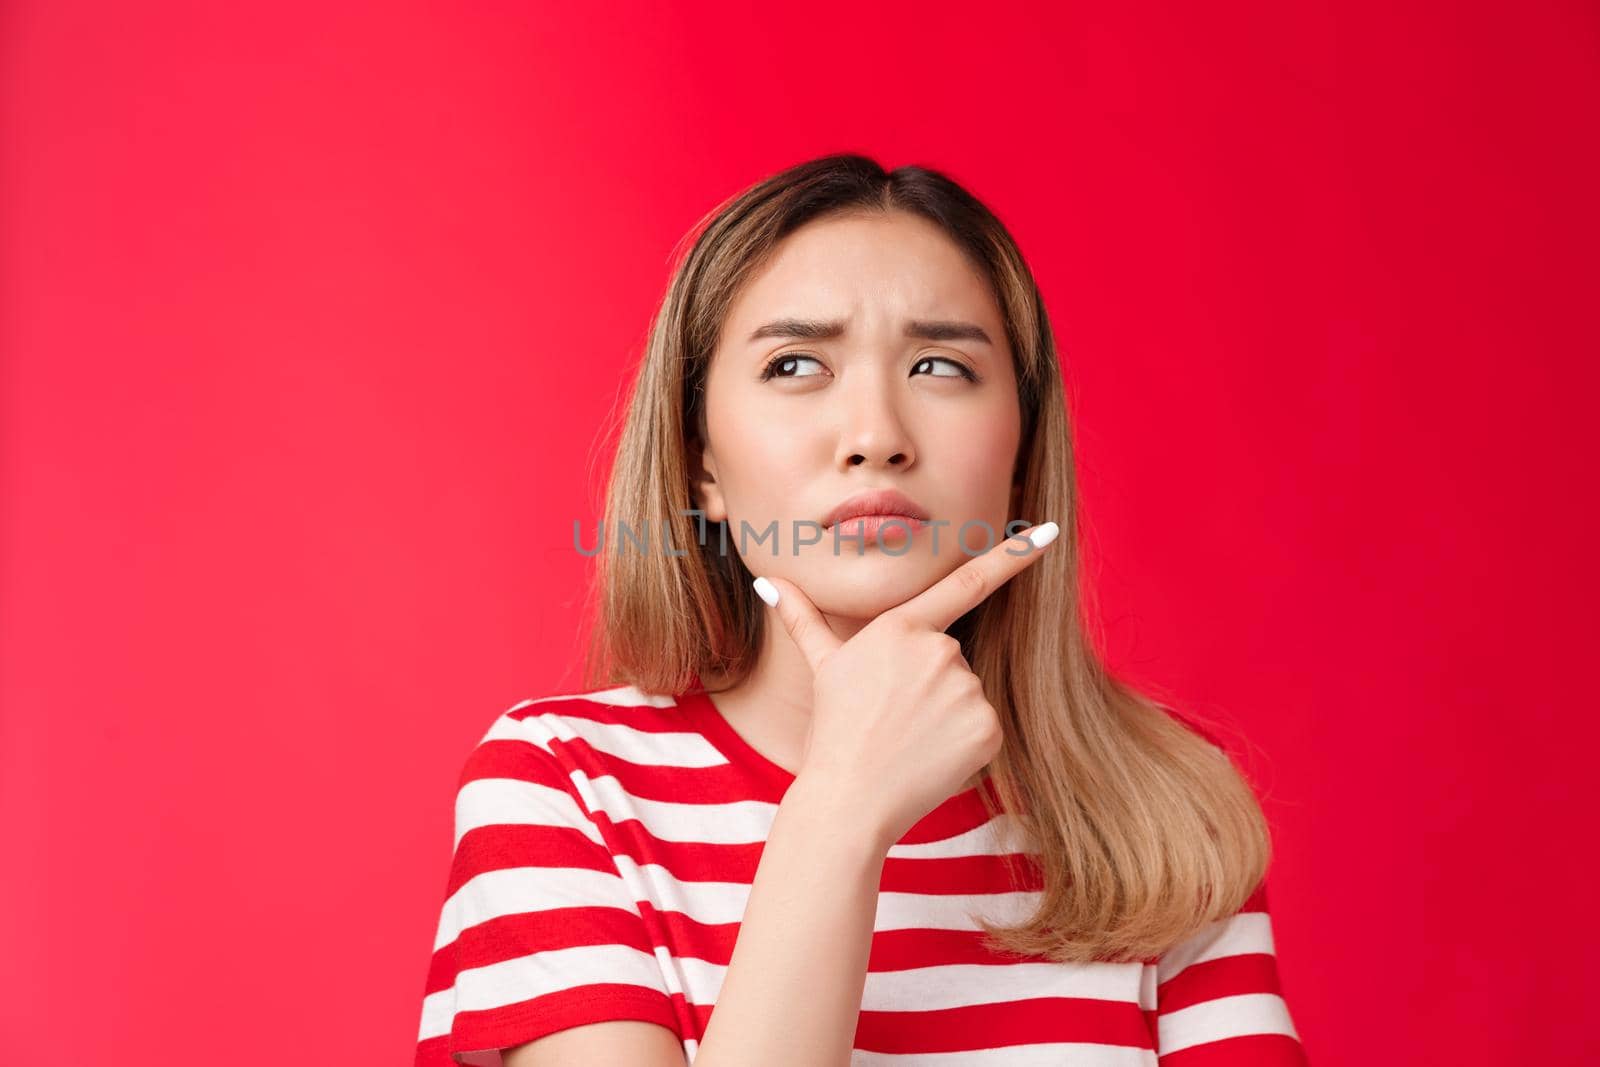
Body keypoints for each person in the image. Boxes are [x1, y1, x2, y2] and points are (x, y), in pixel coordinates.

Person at [413, 154, 1308, 1066]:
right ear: (701, 465)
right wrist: (842, 809)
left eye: (940, 364)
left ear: (1021, 449)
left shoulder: (1166, 808)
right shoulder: (567, 787)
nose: (876, 436)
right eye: (795, 363)